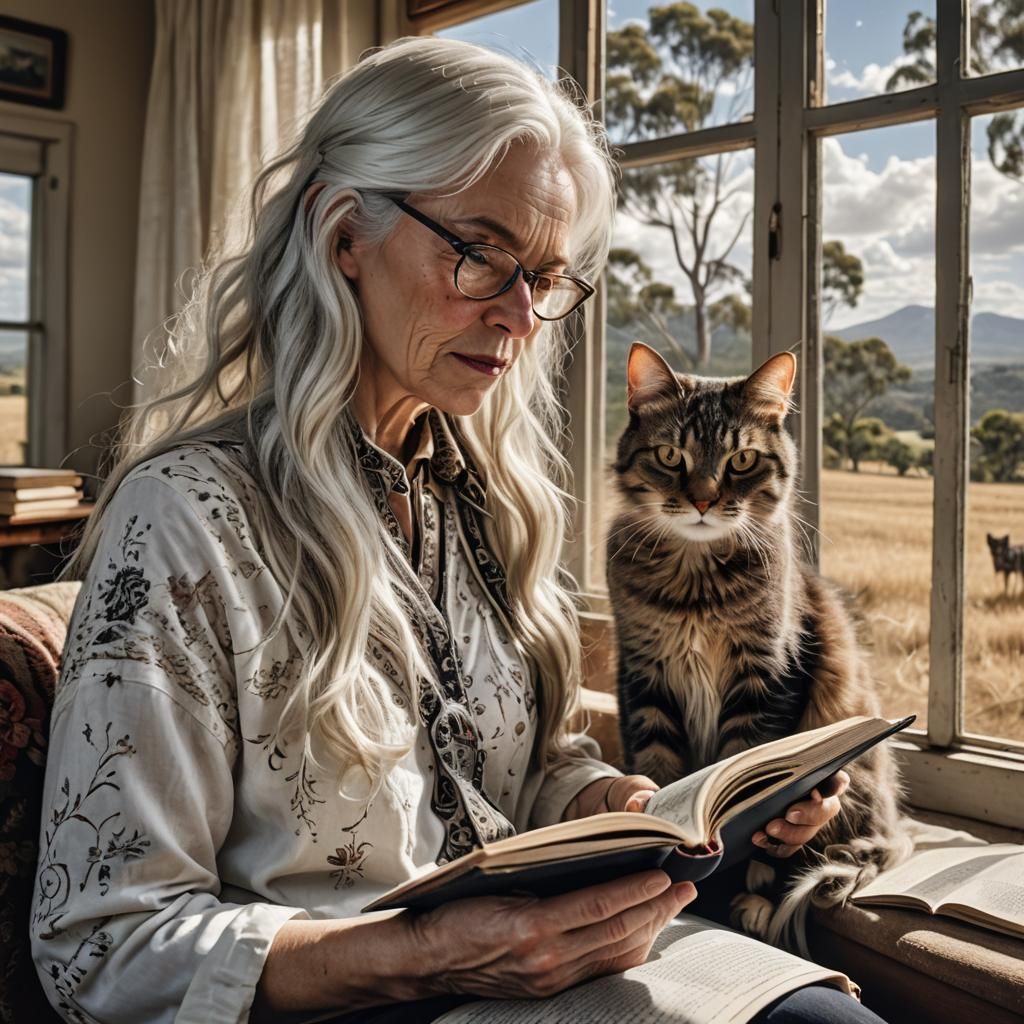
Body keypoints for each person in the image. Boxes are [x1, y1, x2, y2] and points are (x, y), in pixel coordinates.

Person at [31, 37, 885, 1024]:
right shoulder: (183, 518)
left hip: (540, 970)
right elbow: (99, 946)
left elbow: (517, 772)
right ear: (343, 235)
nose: (523, 317)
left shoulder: (487, 504)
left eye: (546, 277)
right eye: (481, 255)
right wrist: (424, 954)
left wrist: (614, 808)